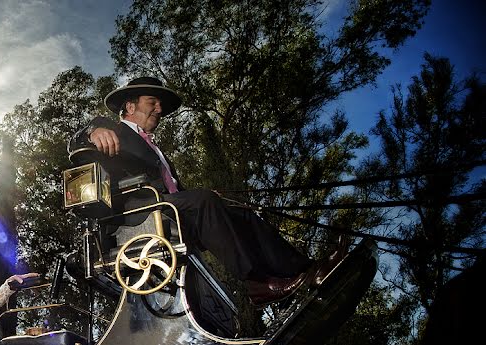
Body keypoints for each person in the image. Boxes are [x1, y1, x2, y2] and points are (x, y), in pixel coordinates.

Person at [68, 76, 348, 305]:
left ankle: (306, 270)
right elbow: (76, 147)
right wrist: (92, 132)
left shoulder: (154, 146)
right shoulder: (115, 130)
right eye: (152, 102)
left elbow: (175, 189)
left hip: (172, 213)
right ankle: (256, 284)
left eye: (159, 104)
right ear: (130, 106)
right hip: (137, 218)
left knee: (243, 213)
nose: (159, 109)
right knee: (203, 200)